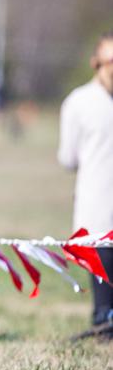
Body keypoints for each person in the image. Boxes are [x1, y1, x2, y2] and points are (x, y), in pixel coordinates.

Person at [58, 32, 113, 333]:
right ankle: (103, 321)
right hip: (99, 208)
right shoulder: (79, 102)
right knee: (104, 290)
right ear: (96, 63)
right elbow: (68, 157)